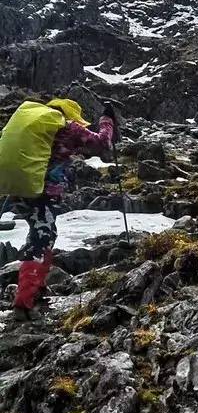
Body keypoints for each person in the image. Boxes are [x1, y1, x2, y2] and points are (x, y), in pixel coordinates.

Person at [0, 97, 117, 317]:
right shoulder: (67, 127)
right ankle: (24, 302)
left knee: (44, 232)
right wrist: (107, 121)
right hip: (41, 191)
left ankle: (38, 287)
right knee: (41, 237)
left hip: (19, 187)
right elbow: (102, 143)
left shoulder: (38, 127)